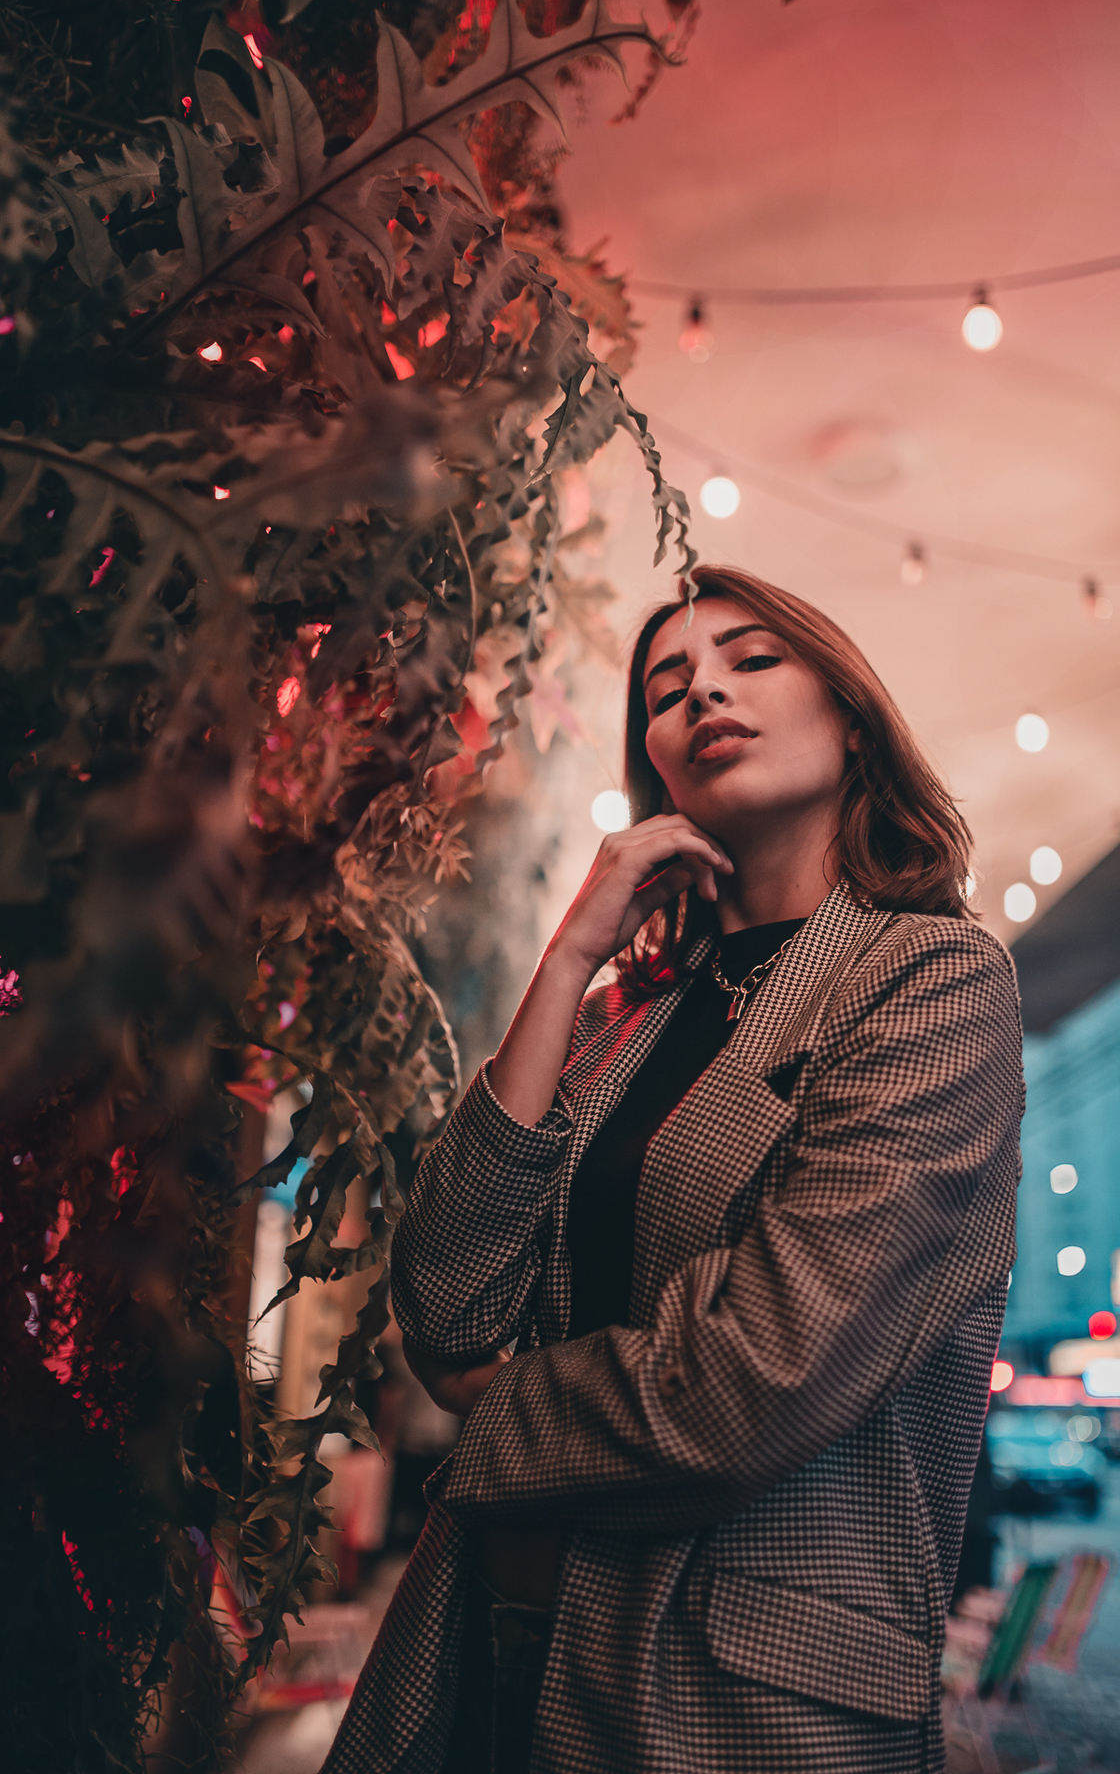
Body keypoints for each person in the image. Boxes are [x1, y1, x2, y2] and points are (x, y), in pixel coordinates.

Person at [324, 564, 1024, 1774]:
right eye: (669, 684)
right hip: (492, 1646)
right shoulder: (621, 1017)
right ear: (657, 770)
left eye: (752, 660)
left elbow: (760, 1373)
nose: (704, 687)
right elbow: (443, 1304)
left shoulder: (932, 981)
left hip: (735, 1693)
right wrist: (566, 960)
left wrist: (486, 1418)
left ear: (850, 716)